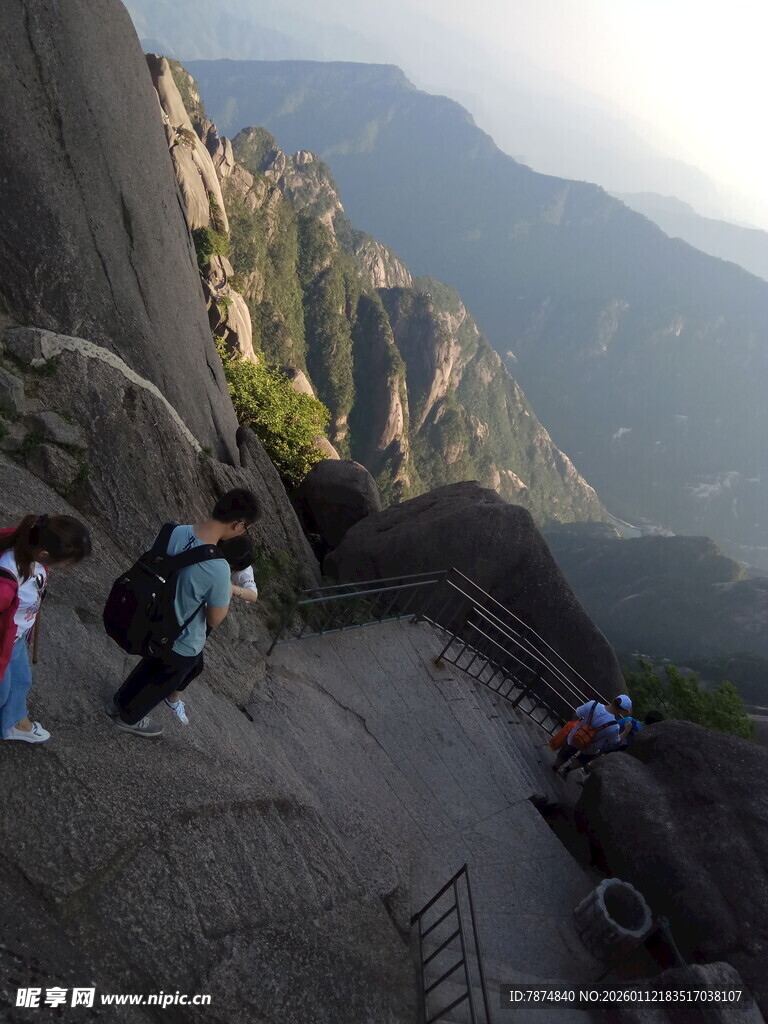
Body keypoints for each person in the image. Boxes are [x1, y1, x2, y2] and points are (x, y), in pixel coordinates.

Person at [109, 489, 260, 738]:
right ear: (238, 524)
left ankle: (117, 703)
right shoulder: (219, 568)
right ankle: (130, 717)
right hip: (181, 639)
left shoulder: (173, 531)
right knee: (160, 681)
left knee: (148, 664)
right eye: (246, 528)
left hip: (149, 619)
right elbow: (215, 618)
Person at [0, 514, 92, 743]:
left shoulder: (31, 543)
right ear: (45, 555)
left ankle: (14, 723)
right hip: (3, 642)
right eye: (67, 562)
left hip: (16, 639)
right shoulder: (6, 581)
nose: (68, 567)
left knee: (22, 681)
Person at [161, 535, 259, 726]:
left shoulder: (240, 567)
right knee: (189, 661)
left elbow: (253, 594)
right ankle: (168, 697)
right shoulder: (213, 547)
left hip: (200, 614)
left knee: (191, 662)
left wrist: (231, 588)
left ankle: (171, 696)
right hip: (189, 604)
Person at [552, 694, 632, 777]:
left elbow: (576, 714)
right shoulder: (614, 727)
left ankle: (555, 766)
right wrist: (627, 730)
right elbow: (615, 741)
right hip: (591, 747)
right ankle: (566, 770)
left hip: (576, 735)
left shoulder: (593, 704)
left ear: (613, 700)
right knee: (584, 758)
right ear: (622, 711)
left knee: (567, 750)